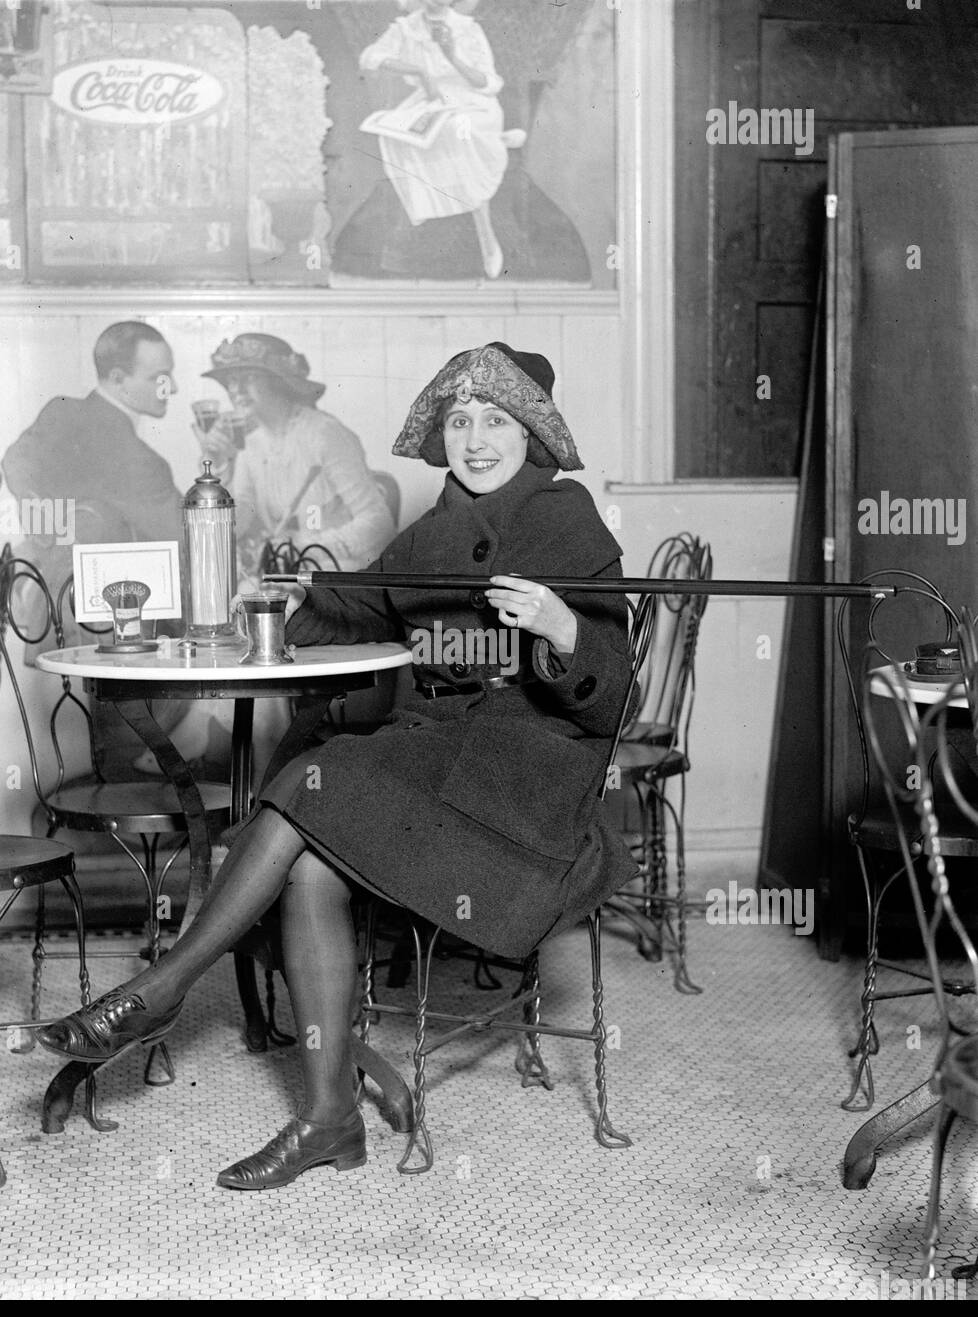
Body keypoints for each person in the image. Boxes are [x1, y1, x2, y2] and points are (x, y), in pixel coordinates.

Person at [38, 342, 638, 1191]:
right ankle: (328, 1122)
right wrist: (291, 593)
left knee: (298, 796)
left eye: (495, 421)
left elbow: (613, 700)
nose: (474, 439)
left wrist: (562, 628)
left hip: (524, 788)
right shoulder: (432, 530)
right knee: (310, 864)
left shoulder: (566, 518)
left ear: (530, 433)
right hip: (435, 762)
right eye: (460, 420)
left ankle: (163, 987)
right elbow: (354, 604)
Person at [1, 321, 183, 650]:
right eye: (159, 377)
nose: (172, 388)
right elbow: (188, 538)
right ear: (117, 379)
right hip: (109, 631)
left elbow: (16, 462)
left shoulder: (61, 412)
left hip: (49, 614)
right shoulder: (140, 462)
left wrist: (47, 535)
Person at [195, 333, 395, 582]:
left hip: (339, 576)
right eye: (231, 381)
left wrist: (303, 547)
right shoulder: (250, 443)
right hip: (286, 577)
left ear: (278, 381)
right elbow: (237, 526)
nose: (236, 390)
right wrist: (216, 465)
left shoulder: (324, 433)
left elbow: (379, 523)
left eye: (248, 378)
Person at [359, 0, 509, 279]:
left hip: (473, 102)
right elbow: (370, 57)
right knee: (396, 136)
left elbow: (489, 82)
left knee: (457, 131)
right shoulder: (407, 27)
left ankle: (485, 233)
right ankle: (426, 207)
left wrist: (453, 56)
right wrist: (418, 71)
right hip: (430, 100)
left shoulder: (468, 28)